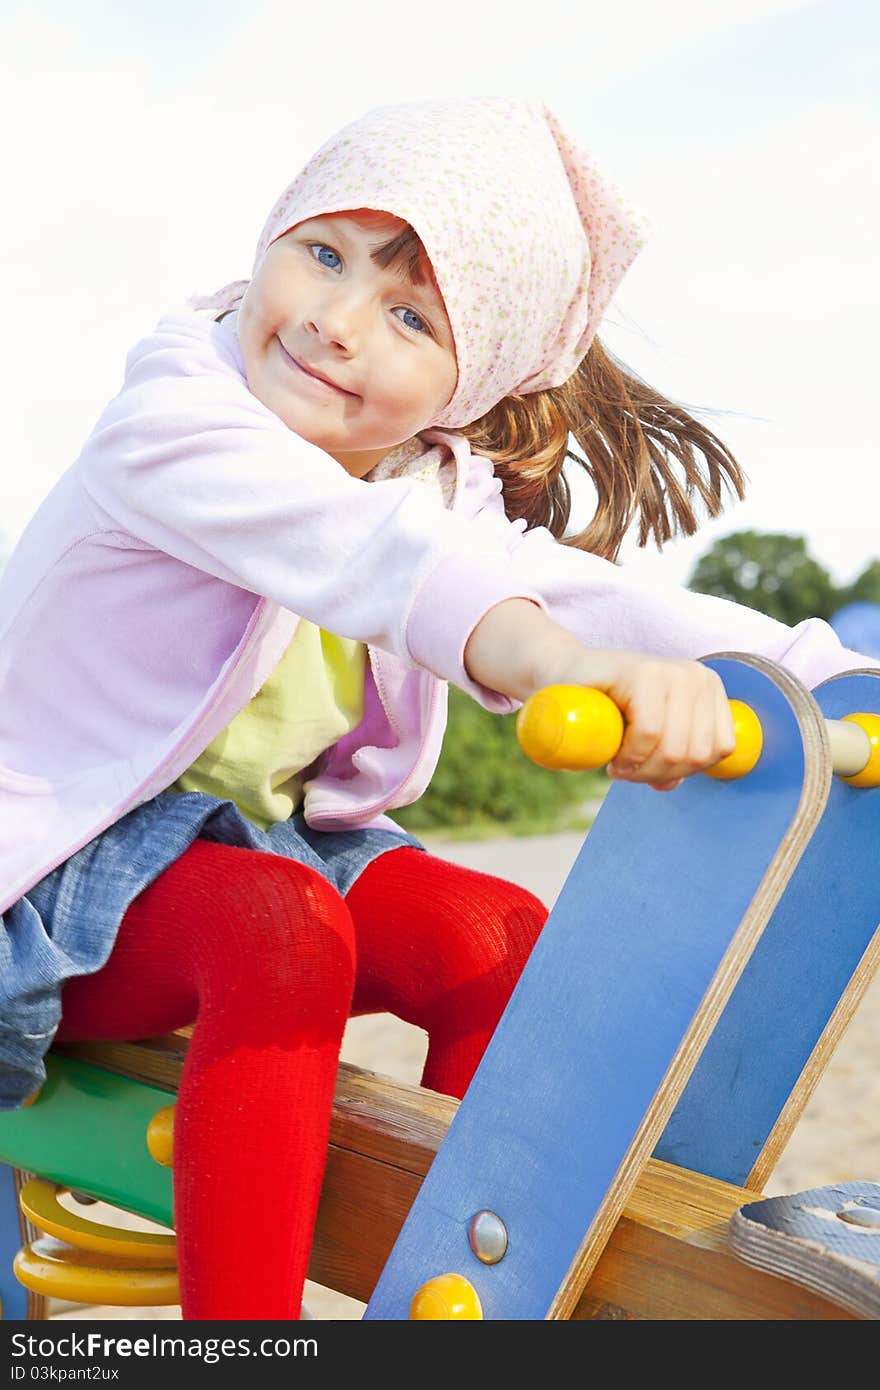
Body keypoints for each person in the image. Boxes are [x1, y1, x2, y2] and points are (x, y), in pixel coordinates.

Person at [0, 98, 874, 1321]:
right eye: (324, 252)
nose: (335, 321)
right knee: (281, 929)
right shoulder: (179, 418)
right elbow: (375, 563)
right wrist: (553, 658)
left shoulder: (421, 486)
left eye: (410, 316)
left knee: (496, 936)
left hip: (256, 847)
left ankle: (469, 1299)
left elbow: (584, 591)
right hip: (47, 877)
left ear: (470, 385)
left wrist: (815, 669)